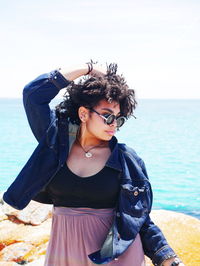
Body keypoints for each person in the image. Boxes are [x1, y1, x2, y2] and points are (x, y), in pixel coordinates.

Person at [3, 62, 184, 266]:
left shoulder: (127, 160)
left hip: (115, 258)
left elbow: (138, 219)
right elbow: (33, 94)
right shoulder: (56, 142)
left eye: (119, 119)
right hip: (64, 255)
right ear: (83, 114)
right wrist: (87, 68)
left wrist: (168, 259)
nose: (113, 124)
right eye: (107, 116)